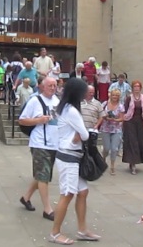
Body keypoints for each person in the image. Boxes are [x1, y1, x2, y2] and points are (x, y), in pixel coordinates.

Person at [50, 78, 101, 245]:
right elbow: (85, 135)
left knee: (83, 191)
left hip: (71, 155)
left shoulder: (65, 108)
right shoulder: (71, 110)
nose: (86, 93)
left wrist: (79, 133)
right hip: (68, 157)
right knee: (67, 194)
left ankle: (82, 229)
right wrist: (80, 133)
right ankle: (55, 233)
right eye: (84, 91)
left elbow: (80, 133)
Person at [18, 77, 59, 221]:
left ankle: (26, 197)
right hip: (40, 143)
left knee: (42, 174)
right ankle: (47, 209)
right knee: (43, 176)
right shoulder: (35, 101)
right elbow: (22, 120)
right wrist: (38, 120)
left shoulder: (57, 101)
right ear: (42, 86)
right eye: (50, 85)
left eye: (55, 85)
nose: (53, 88)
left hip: (54, 143)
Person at [123, 80, 143, 175]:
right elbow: (125, 111)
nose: (136, 88)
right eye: (135, 86)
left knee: (140, 142)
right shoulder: (129, 98)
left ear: (140, 88)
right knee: (132, 142)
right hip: (130, 122)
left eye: (138, 86)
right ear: (132, 88)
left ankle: (136, 161)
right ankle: (132, 163)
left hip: (140, 121)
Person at [100, 89, 125, 175]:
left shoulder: (121, 106)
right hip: (105, 128)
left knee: (114, 149)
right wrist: (106, 116)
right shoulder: (105, 104)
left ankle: (112, 166)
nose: (114, 97)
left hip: (116, 129)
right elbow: (100, 115)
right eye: (113, 95)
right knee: (106, 148)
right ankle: (103, 158)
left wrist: (115, 119)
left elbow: (122, 118)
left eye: (116, 95)